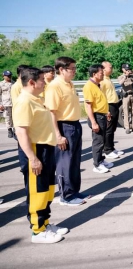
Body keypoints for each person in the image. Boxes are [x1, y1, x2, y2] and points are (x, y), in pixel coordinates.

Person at [13, 67, 68, 243]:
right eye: (42, 80)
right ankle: (37, 230)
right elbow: (21, 132)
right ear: (31, 82)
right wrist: (33, 158)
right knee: (37, 191)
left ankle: (45, 224)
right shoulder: (24, 101)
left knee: (47, 190)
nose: (45, 82)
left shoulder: (36, 98)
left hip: (46, 148)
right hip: (35, 150)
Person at [45, 57, 87, 206]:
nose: (75, 71)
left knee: (75, 161)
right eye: (72, 69)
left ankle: (74, 190)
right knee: (65, 162)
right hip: (63, 127)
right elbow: (52, 113)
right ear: (61, 70)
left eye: (75, 68)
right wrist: (58, 135)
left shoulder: (70, 84)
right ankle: (66, 196)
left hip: (75, 125)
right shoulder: (55, 86)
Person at [83, 64, 113, 174]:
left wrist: (107, 112)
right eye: (101, 73)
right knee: (98, 142)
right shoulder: (89, 86)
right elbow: (88, 106)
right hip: (96, 117)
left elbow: (99, 101)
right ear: (94, 74)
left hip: (102, 115)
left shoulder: (97, 85)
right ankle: (97, 165)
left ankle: (101, 160)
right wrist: (94, 122)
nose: (103, 74)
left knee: (102, 140)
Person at [100, 61, 124, 158]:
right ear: (104, 69)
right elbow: (102, 97)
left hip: (114, 105)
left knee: (113, 128)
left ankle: (111, 147)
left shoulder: (108, 79)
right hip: (108, 106)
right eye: (110, 67)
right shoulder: (102, 80)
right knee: (108, 129)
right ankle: (107, 150)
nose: (112, 68)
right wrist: (107, 110)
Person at [118, 63, 133, 134]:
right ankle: (127, 127)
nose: (128, 70)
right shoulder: (121, 77)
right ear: (123, 70)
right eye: (126, 69)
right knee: (126, 112)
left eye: (129, 69)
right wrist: (125, 76)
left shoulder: (132, 76)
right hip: (126, 95)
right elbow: (120, 83)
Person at [0, 70, 14, 138]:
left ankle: (15, 129)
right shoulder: (1, 84)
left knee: (14, 117)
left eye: (10, 75)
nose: (9, 77)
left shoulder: (14, 83)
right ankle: (9, 129)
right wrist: (0, 104)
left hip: (14, 103)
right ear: (4, 76)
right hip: (6, 103)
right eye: (7, 76)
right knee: (7, 117)